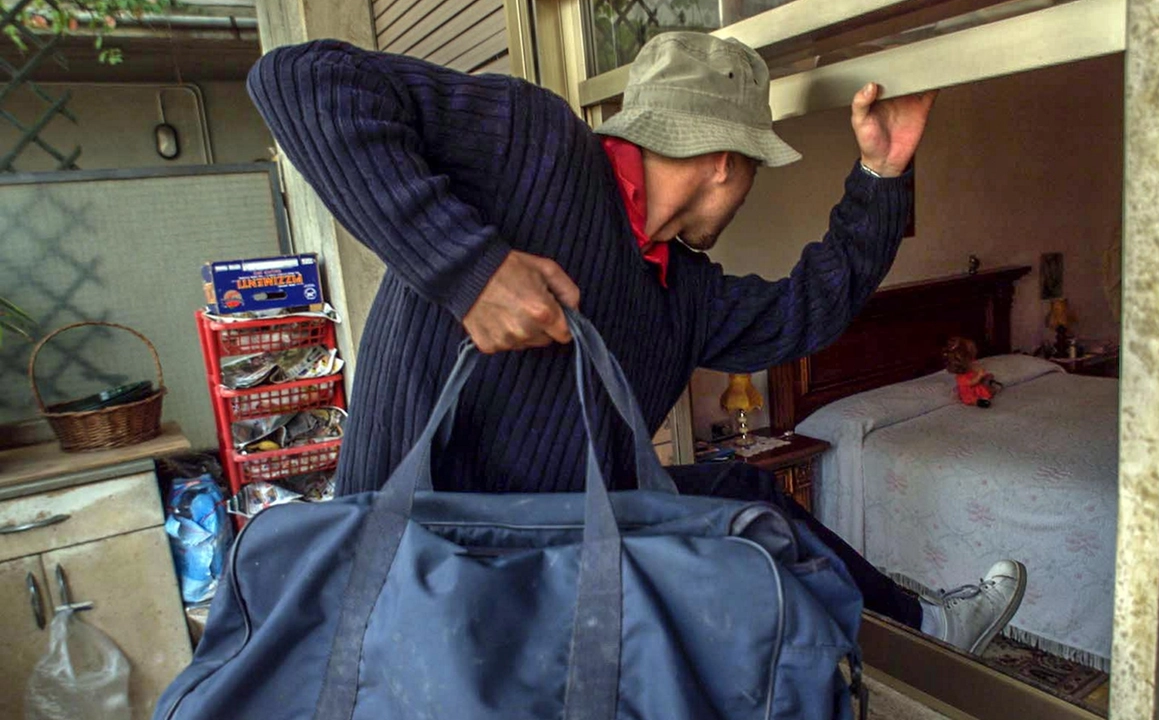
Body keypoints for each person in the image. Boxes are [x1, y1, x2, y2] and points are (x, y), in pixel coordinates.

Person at [247, 31, 1025, 655]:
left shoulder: (682, 291)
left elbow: (805, 313)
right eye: (756, 169)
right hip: (410, 574)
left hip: (555, 574)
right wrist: (468, 270)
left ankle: (924, 632)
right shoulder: (534, 141)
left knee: (744, 499)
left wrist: (881, 176)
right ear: (727, 162)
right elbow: (296, 79)